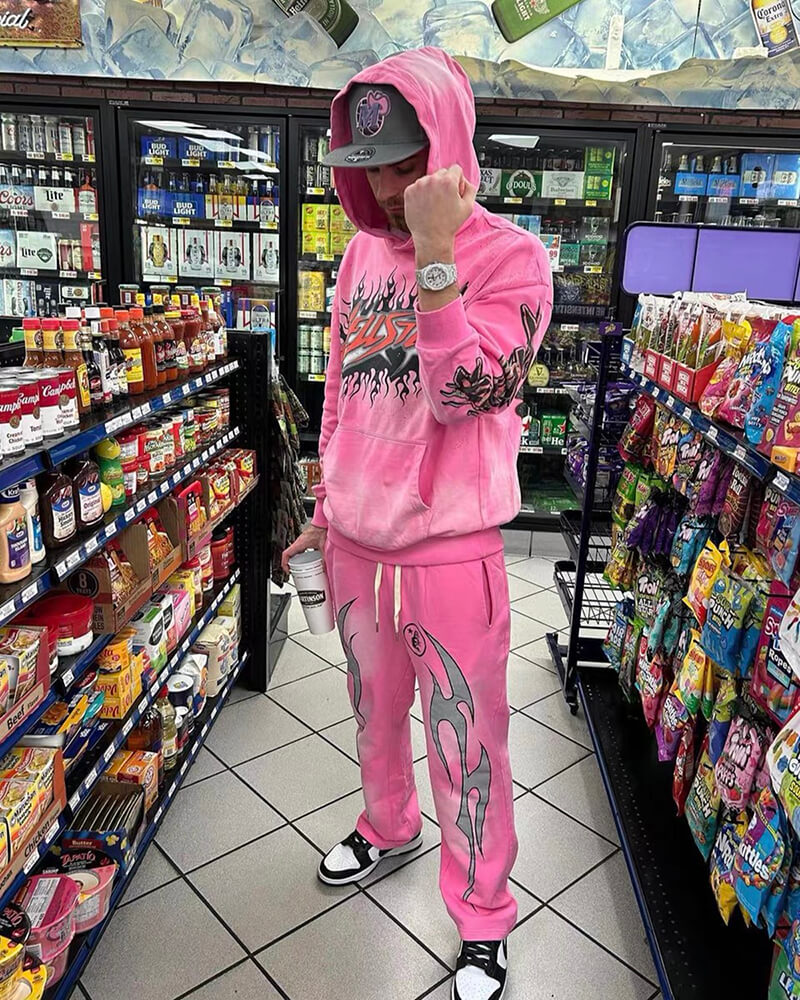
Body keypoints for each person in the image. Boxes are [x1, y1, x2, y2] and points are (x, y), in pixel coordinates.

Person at [282, 47, 552, 1000]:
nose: (392, 190)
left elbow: (465, 391)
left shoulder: (514, 260)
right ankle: (387, 825)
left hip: (450, 554)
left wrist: (438, 255)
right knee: (373, 716)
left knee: (467, 743)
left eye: (408, 164)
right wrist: (325, 508)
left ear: (450, 145)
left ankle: (481, 916)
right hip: (358, 546)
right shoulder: (359, 255)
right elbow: (340, 394)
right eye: (375, 169)